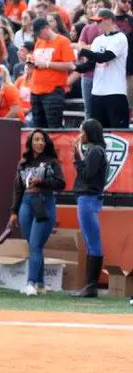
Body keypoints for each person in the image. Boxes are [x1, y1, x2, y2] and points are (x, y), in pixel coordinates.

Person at [6, 129, 66, 297]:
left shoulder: (51, 162)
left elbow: (61, 184)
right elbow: (17, 189)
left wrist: (42, 182)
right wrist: (13, 212)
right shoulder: (23, 163)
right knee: (34, 245)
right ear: (30, 142)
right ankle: (40, 284)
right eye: (36, 139)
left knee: (35, 245)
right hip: (26, 202)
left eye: (42, 140)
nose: (40, 143)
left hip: (44, 203)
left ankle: (31, 283)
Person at [70, 119, 108, 298]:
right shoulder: (96, 151)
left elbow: (87, 175)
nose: (80, 135)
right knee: (91, 242)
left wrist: (77, 154)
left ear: (89, 133)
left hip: (88, 199)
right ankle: (89, 285)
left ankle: (91, 286)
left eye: (82, 132)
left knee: (92, 242)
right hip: (89, 199)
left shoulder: (95, 151)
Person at [78, 9, 130, 129]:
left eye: (99, 21)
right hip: (97, 92)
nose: (97, 25)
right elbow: (92, 63)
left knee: (117, 131)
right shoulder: (98, 40)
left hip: (115, 92)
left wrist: (83, 51)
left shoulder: (120, 38)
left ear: (109, 21)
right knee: (97, 131)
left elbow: (105, 57)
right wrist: (76, 68)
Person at [28, 17, 76, 129]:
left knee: (53, 127)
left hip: (53, 91)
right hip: (36, 90)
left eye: (39, 33)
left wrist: (47, 64)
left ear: (46, 28)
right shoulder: (39, 42)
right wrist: (32, 64)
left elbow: (69, 65)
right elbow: (37, 62)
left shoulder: (63, 41)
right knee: (38, 128)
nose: (38, 36)